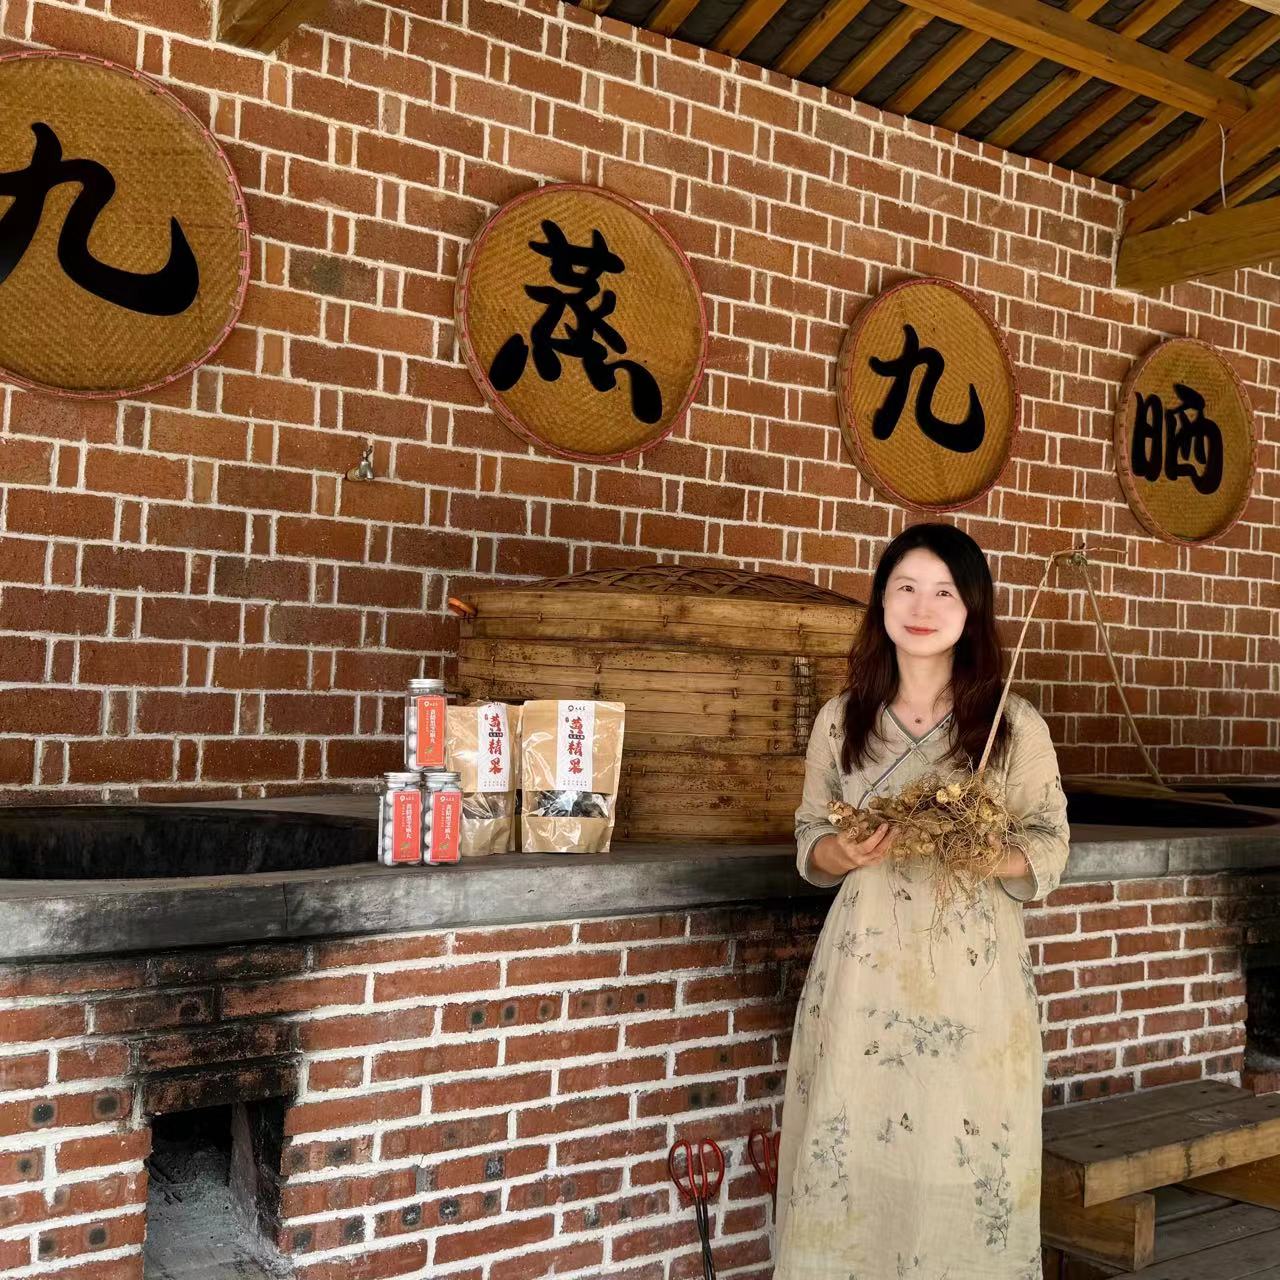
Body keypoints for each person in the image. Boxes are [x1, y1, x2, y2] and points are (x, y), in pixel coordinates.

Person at [775, 522, 1071, 1280]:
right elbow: (810, 833)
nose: (922, 606)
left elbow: (1050, 842)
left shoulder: (1011, 725)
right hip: (865, 973)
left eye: (944, 591)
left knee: (962, 1145)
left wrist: (987, 852)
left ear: (972, 611)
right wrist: (840, 852)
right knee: (854, 1136)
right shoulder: (842, 719)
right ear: (881, 601)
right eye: (905, 587)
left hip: (973, 980)